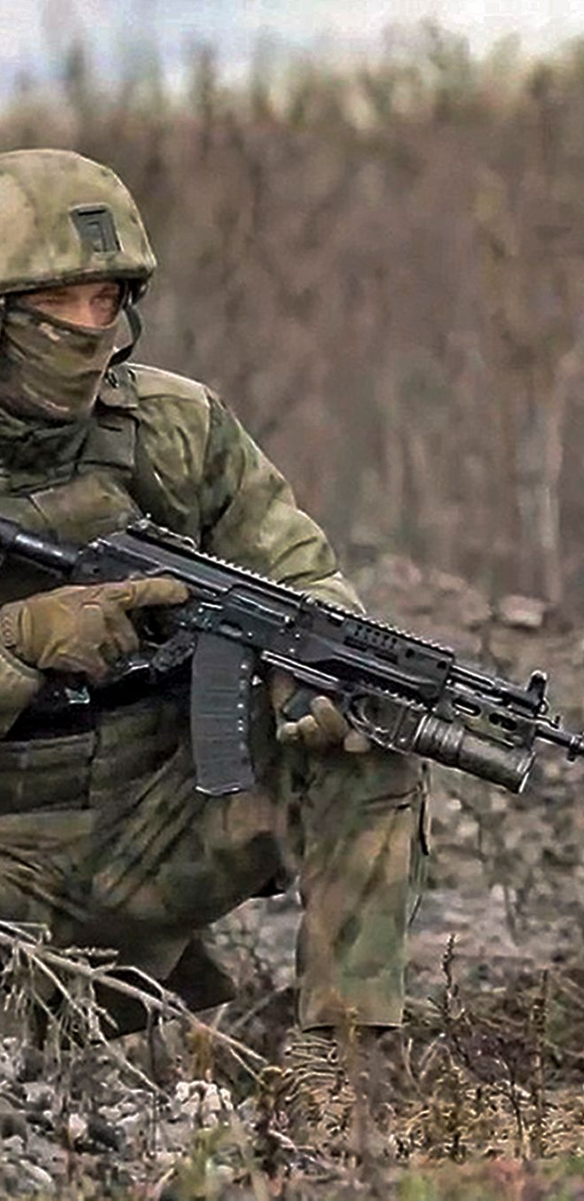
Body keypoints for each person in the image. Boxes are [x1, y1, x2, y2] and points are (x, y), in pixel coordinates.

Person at [0, 148, 424, 1136]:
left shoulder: (176, 430)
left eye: (104, 299)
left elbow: (304, 575)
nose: (84, 328)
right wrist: (27, 637)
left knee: (363, 722)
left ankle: (344, 1074)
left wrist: (304, 675)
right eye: (52, 304)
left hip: (151, 826)